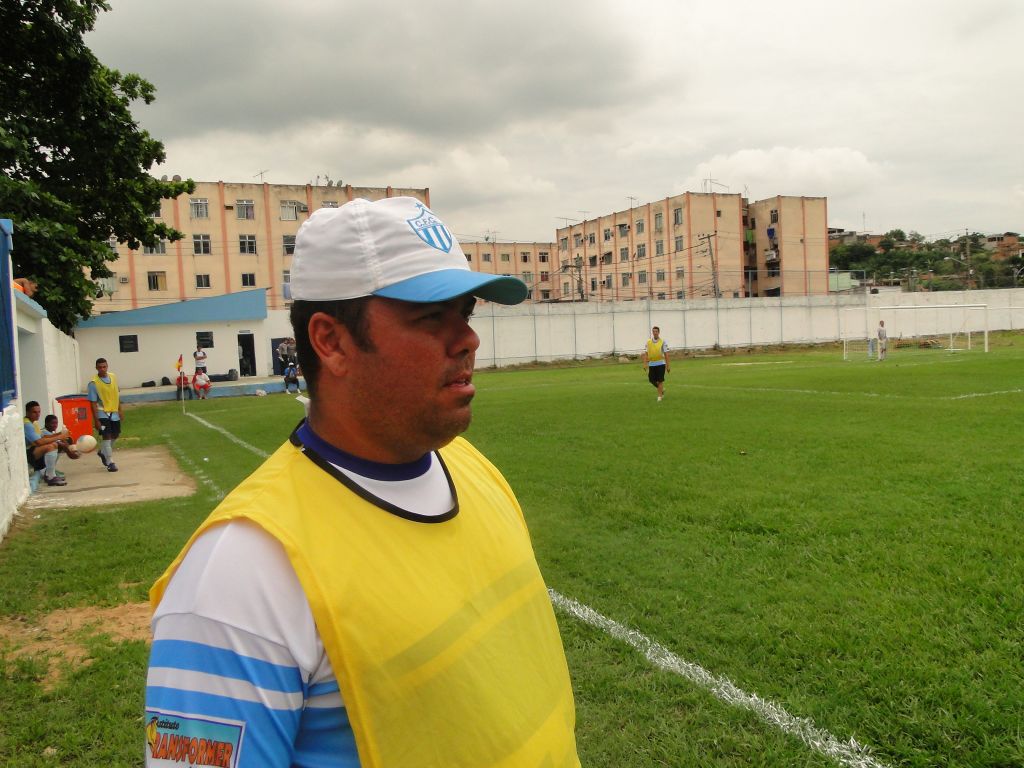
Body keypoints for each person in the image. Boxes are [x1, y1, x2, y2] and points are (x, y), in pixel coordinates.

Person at [145, 197, 580, 767]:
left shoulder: (474, 471)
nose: (468, 340)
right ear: (331, 341)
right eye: (431, 318)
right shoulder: (240, 575)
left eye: (465, 313)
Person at [24, 402, 71, 487]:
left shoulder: (34, 423)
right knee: (52, 446)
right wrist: (59, 437)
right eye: (34, 412)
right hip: (27, 454)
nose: (38, 414)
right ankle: (50, 476)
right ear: (27, 413)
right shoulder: (27, 425)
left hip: (33, 451)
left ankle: (50, 473)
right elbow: (38, 442)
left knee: (56, 444)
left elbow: (44, 437)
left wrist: (60, 434)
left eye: (39, 412)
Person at [88, 357, 122, 472]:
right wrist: (96, 420)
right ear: (96, 368)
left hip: (114, 412)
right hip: (102, 412)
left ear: (107, 366)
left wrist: (120, 410)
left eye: (104, 366)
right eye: (100, 367)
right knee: (106, 435)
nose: (102, 369)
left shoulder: (113, 377)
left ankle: (103, 451)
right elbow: (92, 403)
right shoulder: (93, 383)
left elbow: (116, 395)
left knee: (116, 434)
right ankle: (110, 461)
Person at [641, 325, 671, 401]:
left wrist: (668, 366)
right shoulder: (648, 342)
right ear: (652, 332)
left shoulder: (663, 342)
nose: (655, 333)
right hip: (651, 364)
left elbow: (666, 354)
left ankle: (659, 396)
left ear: (659, 332)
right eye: (653, 331)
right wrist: (645, 364)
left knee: (660, 380)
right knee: (651, 380)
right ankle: (662, 389)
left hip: (661, 364)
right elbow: (646, 353)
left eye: (656, 331)